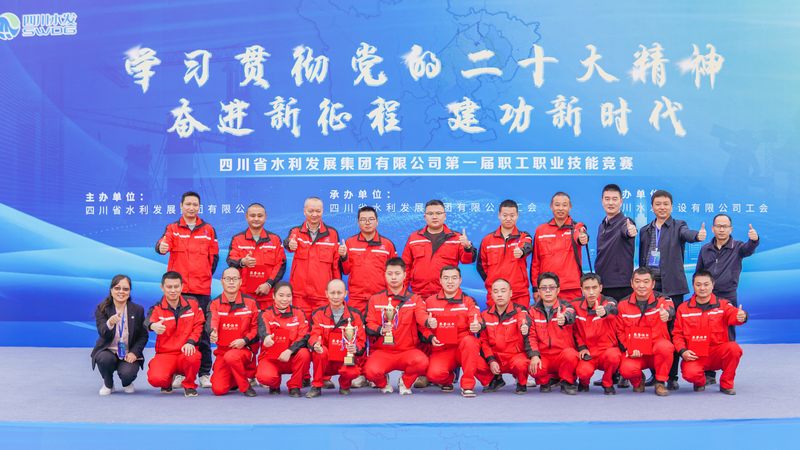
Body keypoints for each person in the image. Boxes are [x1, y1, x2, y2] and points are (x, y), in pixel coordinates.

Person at [638, 189, 705, 389]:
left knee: (672, 331)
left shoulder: (678, 226)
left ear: (671, 206)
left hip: (672, 287)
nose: (662, 207)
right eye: (658, 204)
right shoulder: (645, 230)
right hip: (650, 288)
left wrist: (697, 236)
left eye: (666, 204)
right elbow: (642, 259)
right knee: (651, 331)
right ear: (652, 207)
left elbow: (688, 234)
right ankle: (656, 374)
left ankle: (672, 377)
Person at [155, 191, 219, 388]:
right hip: (179, 291)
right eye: (188, 204)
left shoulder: (208, 230)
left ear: (199, 207)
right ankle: (180, 373)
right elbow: (162, 244)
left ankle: (204, 373)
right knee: (179, 333)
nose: (191, 208)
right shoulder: (172, 228)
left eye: (195, 204)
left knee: (203, 332)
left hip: (201, 289)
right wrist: (160, 247)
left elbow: (214, 258)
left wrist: (204, 275)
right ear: (181, 206)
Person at [363, 258, 432, 395]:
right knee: (370, 371)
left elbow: (421, 316)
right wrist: (380, 330)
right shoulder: (375, 299)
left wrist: (428, 322)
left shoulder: (415, 299)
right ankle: (383, 383)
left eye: (397, 273)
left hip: (407, 351)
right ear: (385, 275)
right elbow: (369, 324)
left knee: (422, 362)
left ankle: (405, 381)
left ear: (405, 275)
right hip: (383, 351)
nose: (393, 277)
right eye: (390, 274)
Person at [673, 270, 747, 395]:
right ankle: (700, 382)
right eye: (698, 284)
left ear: (713, 285)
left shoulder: (723, 305)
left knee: (734, 349)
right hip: (695, 355)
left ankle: (726, 384)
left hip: (717, 352)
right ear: (693, 286)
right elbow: (677, 334)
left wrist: (741, 316)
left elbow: (734, 315)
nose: (702, 288)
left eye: (706, 284)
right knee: (690, 374)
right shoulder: (683, 308)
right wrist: (683, 351)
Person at [424, 266, 493, 398]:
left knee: (484, 368)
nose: (450, 281)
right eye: (446, 278)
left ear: (460, 280)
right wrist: (430, 336)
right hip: (443, 350)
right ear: (440, 280)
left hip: (465, 348)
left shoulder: (468, 301)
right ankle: (449, 379)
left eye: (454, 278)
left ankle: (467, 385)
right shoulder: (430, 302)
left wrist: (477, 325)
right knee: (433, 374)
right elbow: (423, 327)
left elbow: (476, 318)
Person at [696, 214, 758, 337]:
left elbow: (748, 249)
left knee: (728, 328)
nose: (721, 229)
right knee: (706, 328)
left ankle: (728, 349)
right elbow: (699, 273)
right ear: (713, 228)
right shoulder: (705, 249)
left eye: (725, 226)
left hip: (728, 295)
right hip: (707, 295)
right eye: (718, 226)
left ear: (731, 229)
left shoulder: (738, 247)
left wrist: (754, 241)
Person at [616, 267, 675, 397]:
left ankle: (660, 382)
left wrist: (666, 314)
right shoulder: (622, 305)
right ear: (631, 283)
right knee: (626, 369)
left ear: (653, 284)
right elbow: (620, 331)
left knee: (665, 347)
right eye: (637, 281)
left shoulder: (663, 300)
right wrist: (628, 348)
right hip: (636, 352)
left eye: (646, 281)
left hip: (656, 350)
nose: (641, 285)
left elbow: (669, 309)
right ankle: (638, 381)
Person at [145, 272, 206, 397]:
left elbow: (199, 325)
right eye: (169, 287)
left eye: (176, 286)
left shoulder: (193, 303)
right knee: (156, 379)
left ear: (182, 287)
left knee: (193, 356)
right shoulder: (157, 308)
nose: (173, 290)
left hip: (186, 350)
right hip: (166, 354)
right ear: (162, 287)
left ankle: (189, 385)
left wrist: (191, 342)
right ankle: (167, 379)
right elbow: (147, 322)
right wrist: (153, 326)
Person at [402, 200, 476, 299]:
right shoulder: (414, 238)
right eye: (430, 213)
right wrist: (402, 292)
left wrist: (467, 247)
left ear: (445, 216)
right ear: (425, 217)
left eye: (438, 213)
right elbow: (405, 266)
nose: (434, 217)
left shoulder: (456, 238)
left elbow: (467, 260)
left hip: (446, 295)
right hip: (419, 294)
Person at [306, 279, 366, 398]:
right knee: (320, 352)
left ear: (346, 294)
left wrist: (356, 348)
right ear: (326, 294)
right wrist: (315, 344)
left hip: (345, 358)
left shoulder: (355, 315)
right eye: (332, 293)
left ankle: (344, 385)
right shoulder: (318, 314)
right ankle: (317, 385)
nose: (336, 296)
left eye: (339, 293)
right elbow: (313, 335)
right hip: (326, 360)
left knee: (353, 371)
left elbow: (361, 341)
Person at [284, 197, 341, 319]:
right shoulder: (296, 232)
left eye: (318, 211)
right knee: (301, 328)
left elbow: (336, 264)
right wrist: (289, 244)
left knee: (322, 327)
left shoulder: (332, 233)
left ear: (322, 211)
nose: (314, 214)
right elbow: (289, 243)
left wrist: (337, 287)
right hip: (300, 295)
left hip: (323, 294)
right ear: (304, 211)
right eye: (311, 211)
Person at [91, 275, 148, 395]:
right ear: (111, 290)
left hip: (128, 352)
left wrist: (134, 352)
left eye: (125, 289)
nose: (121, 292)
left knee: (128, 373)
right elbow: (102, 332)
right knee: (104, 359)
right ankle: (108, 383)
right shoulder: (102, 308)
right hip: (108, 350)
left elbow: (143, 335)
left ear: (129, 291)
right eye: (117, 288)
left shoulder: (138, 310)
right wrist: (109, 323)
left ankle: (127, 382)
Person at [207, 268, 259, 397]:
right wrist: (212, 331)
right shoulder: (214, 303)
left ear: (240, 282)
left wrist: (245, 341)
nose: (231, 282)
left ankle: (245, 386)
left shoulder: (251, 303)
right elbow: (212, 320)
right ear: (222, 281)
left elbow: (256, 329)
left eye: (235, 279)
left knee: (232, 357)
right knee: (218, 389)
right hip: (223, 352)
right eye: (227, 279)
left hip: (244, 350)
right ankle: (235, 377)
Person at [478, 278, 536, 394]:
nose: (499, 294)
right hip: (496, 359)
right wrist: (491, 360)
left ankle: (521, 382)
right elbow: (484, 342)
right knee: (473, 360)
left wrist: (524, 326)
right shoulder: (484, 315)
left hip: (514, 358)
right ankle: (495, 379)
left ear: (510, 293)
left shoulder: (520, 311)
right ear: (491, 295)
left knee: (521, 364)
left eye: (503, 291)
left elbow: (523, 320)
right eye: (496, 291)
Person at [530, 192, 589, 301]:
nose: (561, 208)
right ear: (551, 206)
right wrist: (535, 288)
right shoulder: (541, 230)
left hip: (572, 289)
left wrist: (583, 238)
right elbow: (535, 262)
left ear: (570, 207)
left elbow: (581, 233)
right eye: (557, 205)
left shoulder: (576, 227)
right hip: (547, 289)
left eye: (564, 205)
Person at [256, 282, 311, 398]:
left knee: (304, 354)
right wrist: (266, 337)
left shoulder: (299, 313)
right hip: (271, 358)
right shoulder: (265, 314)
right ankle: (274, 384)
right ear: (273, 296)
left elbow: (304, 336)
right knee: (265, 377)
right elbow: (262, 329)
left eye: (288, 296)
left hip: (291, 357)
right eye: (281, 295)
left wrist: (290, 351)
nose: (285, 299)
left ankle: (295, 385)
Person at [227, 203, 287, 310]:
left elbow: (280, 265)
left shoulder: (275, 240)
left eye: (260, 216)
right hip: (244, 297)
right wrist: (242, 262)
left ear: (265, 217)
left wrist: (269, 284)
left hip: (268, 297)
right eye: (252, 215)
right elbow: (231, 260)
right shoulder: (237, 239)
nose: (256, 219)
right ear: (246, 217)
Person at [339, 206, 398, 315]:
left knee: (381, 325)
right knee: (354, 325)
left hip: (380, 297)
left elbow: (395, 273)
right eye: (363, 219)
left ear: (377, 222)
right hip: (356, 299)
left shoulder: (387, 244)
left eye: (371, 219)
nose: (367, 222)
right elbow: (346, 271)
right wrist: (343, 256)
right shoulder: (350, 243)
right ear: (358, 222)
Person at [527, 272, 579, 394]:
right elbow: (531, 336)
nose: (548, 291)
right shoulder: (532, 311)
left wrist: (564, 318)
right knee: (531, 365)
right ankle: (545, 380)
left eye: (552, 287)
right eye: (544, 288)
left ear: (558, 290)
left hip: (562, 354)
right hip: (543, 355)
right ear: (538, 291)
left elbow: (571, 314)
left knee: (571, 355)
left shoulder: (567, 307)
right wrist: (534, 355)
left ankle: (567, 381)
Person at [477, 199, 533, 308]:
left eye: (512, 215)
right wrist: (493, 282)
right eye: (505, 215)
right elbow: (481, 267)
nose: (508, 218)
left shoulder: (523, 236)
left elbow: (527, 246)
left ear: (517, 216)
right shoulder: (487, 240)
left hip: (519, 294)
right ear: (499, 215)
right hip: (495, 295)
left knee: (523, 319)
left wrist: (521, 251)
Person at [572, 273, 621, 395]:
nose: (591, 292)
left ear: (601, 288)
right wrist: (581, 347)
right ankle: (584, 382)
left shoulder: (609, 302)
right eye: (587, 288)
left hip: (606, 351)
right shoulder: (575, 305)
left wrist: (604, 312)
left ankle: (607, 381)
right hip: (588, 353)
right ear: (581, 289)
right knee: (583, 372)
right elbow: (574, 331)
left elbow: (613, 307)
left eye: (594, 287)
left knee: (614, 356)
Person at [595, 184, 637, 301]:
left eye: (614, 199)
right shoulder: (601, 226)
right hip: (602, 284)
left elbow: (627, 230)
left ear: (621, 201)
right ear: (602, 201)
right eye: (607, 199)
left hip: (620, 286)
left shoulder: (625, 222)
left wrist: (630, 231)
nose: (611, 203)